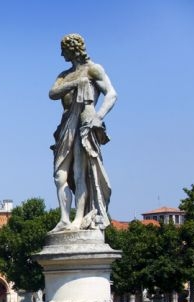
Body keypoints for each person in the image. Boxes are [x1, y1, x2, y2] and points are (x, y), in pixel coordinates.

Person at [49, 33, 116, 232]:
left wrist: (99, 116)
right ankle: (64, 219)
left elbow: (112, 94)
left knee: (80, 172)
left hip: (85, 120)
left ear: (72, 49)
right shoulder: (64, 75)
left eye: (63, 50)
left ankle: (78, 219)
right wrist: (76, 83)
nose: (61, 54)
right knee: (59, 175)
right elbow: (52, 93)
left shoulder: (93, 69)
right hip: (66, 124)